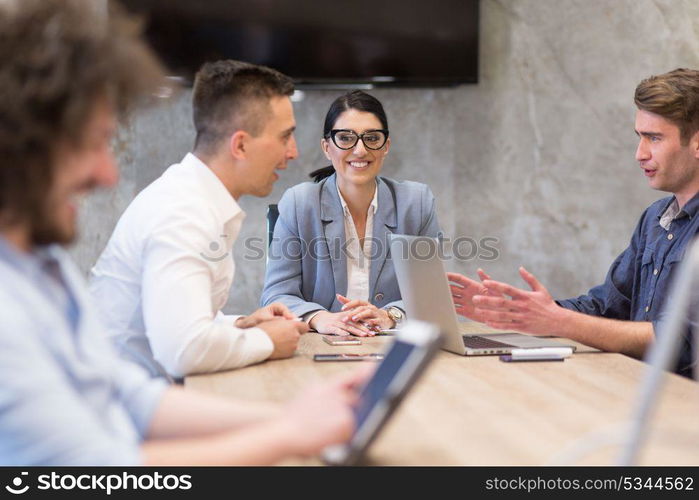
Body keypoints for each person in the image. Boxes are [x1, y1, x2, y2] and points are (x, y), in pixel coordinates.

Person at [0, 0, 363, 465]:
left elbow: (124, 394)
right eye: (90, 144)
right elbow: (98, 468)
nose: (110, 173)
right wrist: (286, 430)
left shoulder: (43, 268)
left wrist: (285, 413)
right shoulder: (182, 214)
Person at [448, 68, 699, 377]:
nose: (639, 154)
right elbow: (607, 308)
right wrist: (520, 314)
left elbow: (683, 341)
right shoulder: (654, 219)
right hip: (639, 393)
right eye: (640, 137)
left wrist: (557, 321)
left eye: (655, 138)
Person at [89, 59, 308, 380]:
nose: (293, 152)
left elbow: (171, 322)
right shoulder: (183, 213)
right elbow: (183, 350)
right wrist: (266, 341)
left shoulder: (191, 196)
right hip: (120, 409)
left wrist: (238, 324)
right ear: (241, 144)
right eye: (285, 137)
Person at [261, 90, 442, 336]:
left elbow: (430, 293)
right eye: (345, 138)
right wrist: (318, 317)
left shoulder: (416, 203)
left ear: (385, 146)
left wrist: (391, 315)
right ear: (327, 147)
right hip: (319, 347)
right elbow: (276, 295)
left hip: (392, 346)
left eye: (372, 138)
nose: (359, 150)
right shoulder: (299, 203)